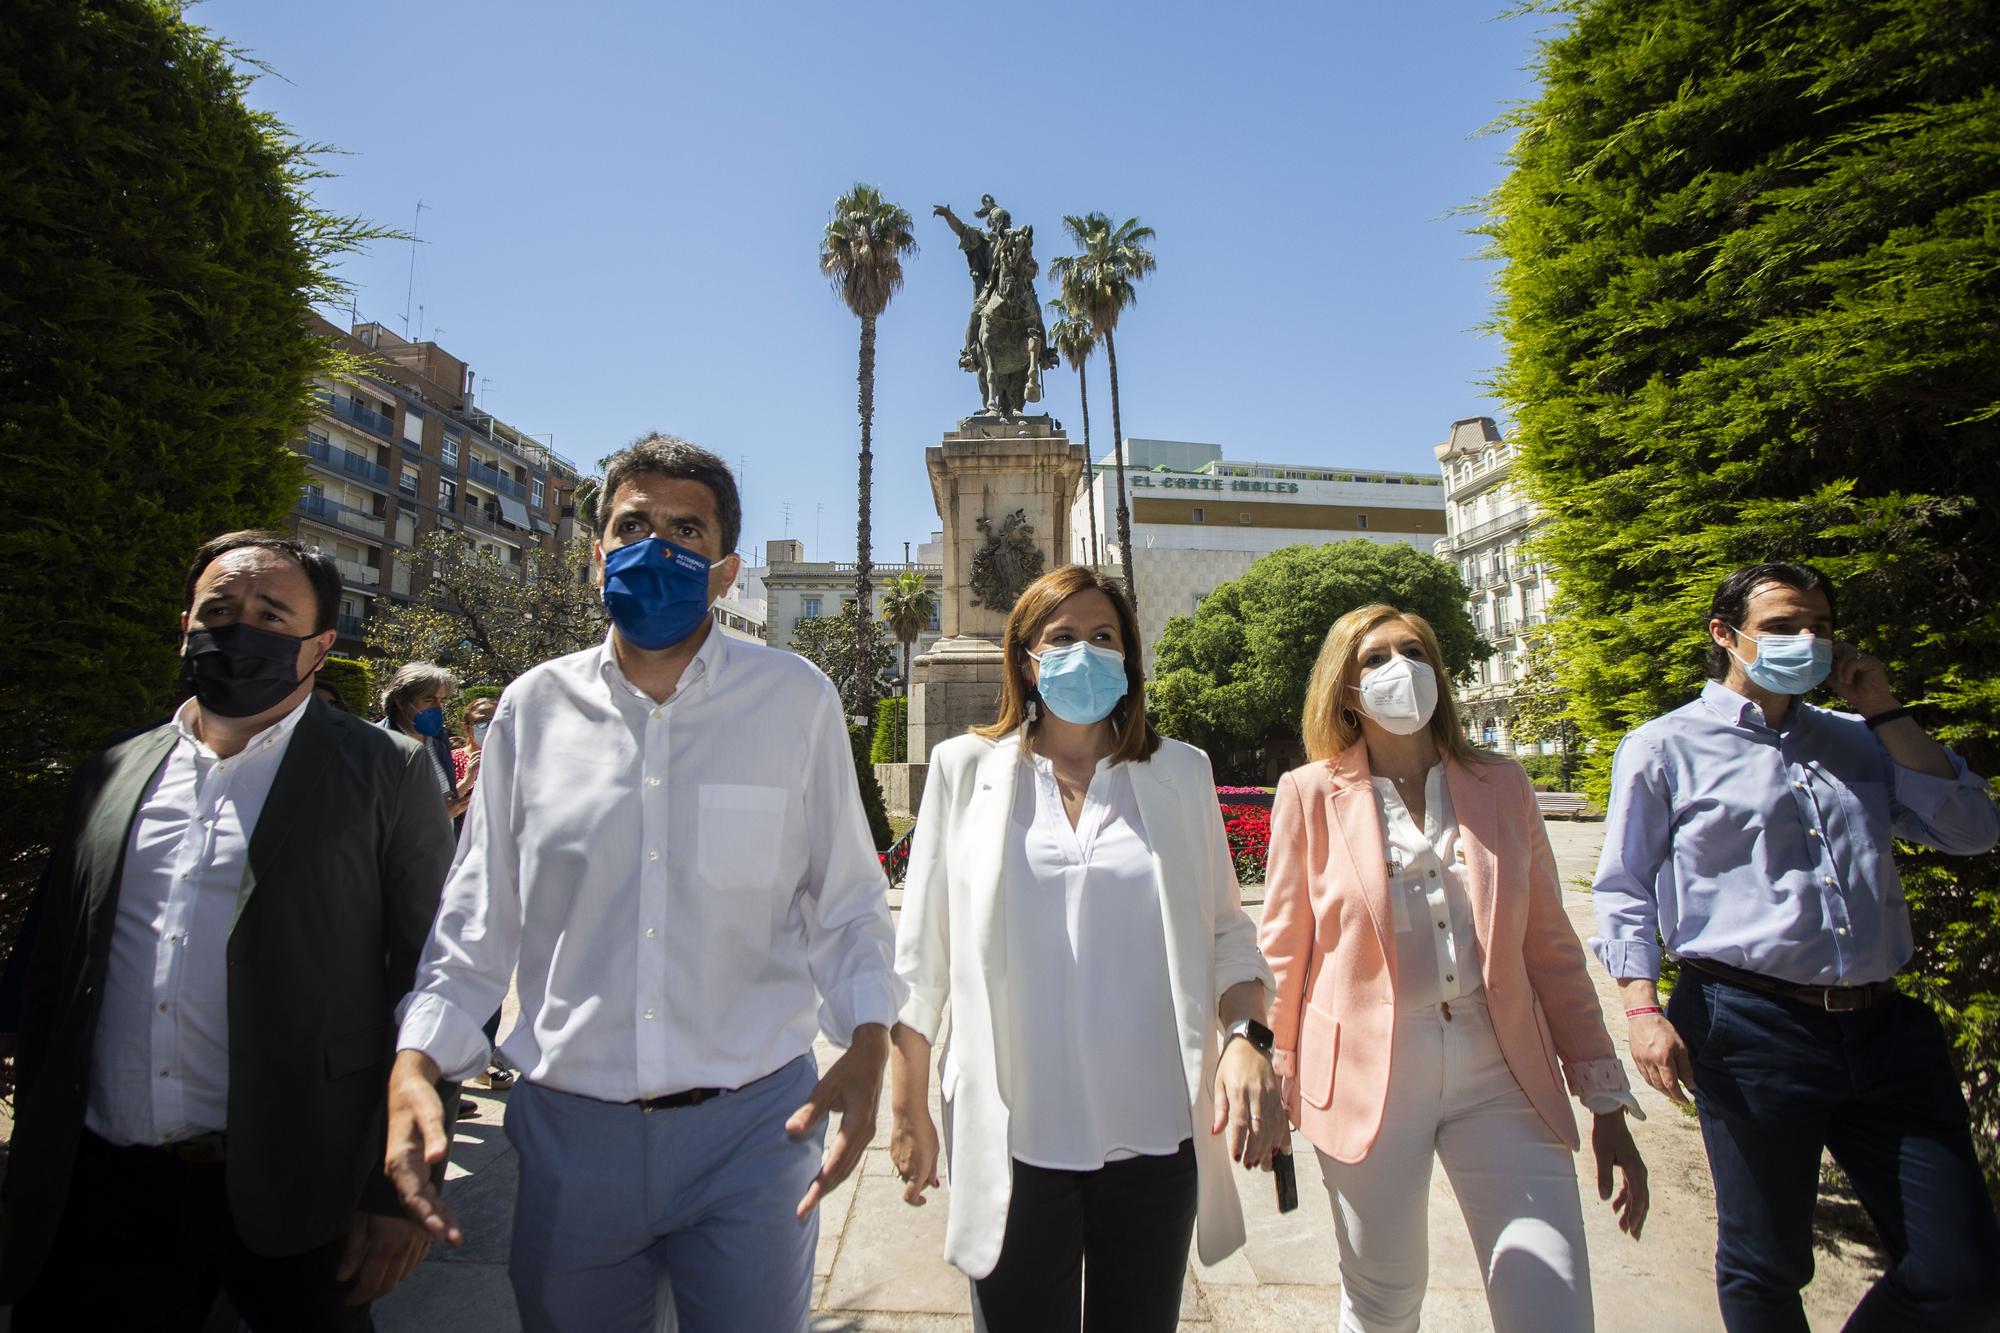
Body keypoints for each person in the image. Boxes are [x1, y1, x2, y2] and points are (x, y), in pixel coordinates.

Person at [384, 435, 901, 1333]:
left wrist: (867, 1037)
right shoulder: (531, 710)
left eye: (685, 530)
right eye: (633, 525)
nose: (656, 545)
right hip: (570, 1136)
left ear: (725, 567)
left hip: (755, 1131)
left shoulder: (795, 700)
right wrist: (418, 1057)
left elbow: (846, 897)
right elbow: (479, 911)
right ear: (597, 556)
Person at [0, 531, 457, 1330]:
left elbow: (435, 977)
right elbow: (53, 963)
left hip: (294, 1190)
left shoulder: (386, 771)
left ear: (319, 645)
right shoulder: (114, 768)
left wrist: (399, 1187)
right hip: (101, 1185)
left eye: (271, 614)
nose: (238, 626)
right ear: (185, 624)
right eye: (219, 608)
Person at [1592, 561, 2000, 1332]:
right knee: (1767, 1263)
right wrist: (1642, 1007)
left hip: (1885, 1030)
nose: (1806, 640)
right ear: (1726, 634)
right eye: (1782, 626)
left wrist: (1883, 707)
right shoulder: (1663, 746)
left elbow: (1972, 831)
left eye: (1818, 624)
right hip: (1748, 1025)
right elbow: (1624, 888)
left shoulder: (1862, 741)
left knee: (1964, 1277)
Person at [890, 565, 1281, 1331]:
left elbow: (1229, 933)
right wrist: (907, 1105)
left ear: (1130, 659)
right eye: (1061, 637)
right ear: (1026, 660)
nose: (1084, 653)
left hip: (1154, 1136)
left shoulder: (1179, 772)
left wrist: (1248, 1039)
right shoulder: (964, 771)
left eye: (1103, 637)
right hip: (1013, 1138)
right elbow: (921, 959)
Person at [1260, 604, 1648, 1333]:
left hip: (1500, 1064)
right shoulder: (1310, 793)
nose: (1398, 668)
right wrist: (1276, 1080)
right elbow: (1283, 949)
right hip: (1368, 1073)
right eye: (1374, 658)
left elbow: (1552, 948)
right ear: (1345, 689)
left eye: (1413, 650)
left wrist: (1604, 1095)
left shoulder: (1501, 784)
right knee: (1384, 1302)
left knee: (1554, 1306)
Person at [450, 695, 515, 1091]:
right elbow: (440, 809)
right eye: (479, 720)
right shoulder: (454, 761)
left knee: (491, 964)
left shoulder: (514, 761)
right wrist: (468, 780)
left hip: (496, 876)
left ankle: (482, 1053)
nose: (485, 727)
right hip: (451, 874)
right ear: (466, 726)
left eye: (492, 719)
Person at [379, 662, 470, 826]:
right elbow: (376, 817)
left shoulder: (439, 738)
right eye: (429, 700)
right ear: (400, 701)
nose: (438, 707)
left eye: (442, 700)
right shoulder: (378, 744)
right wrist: (437, 815)